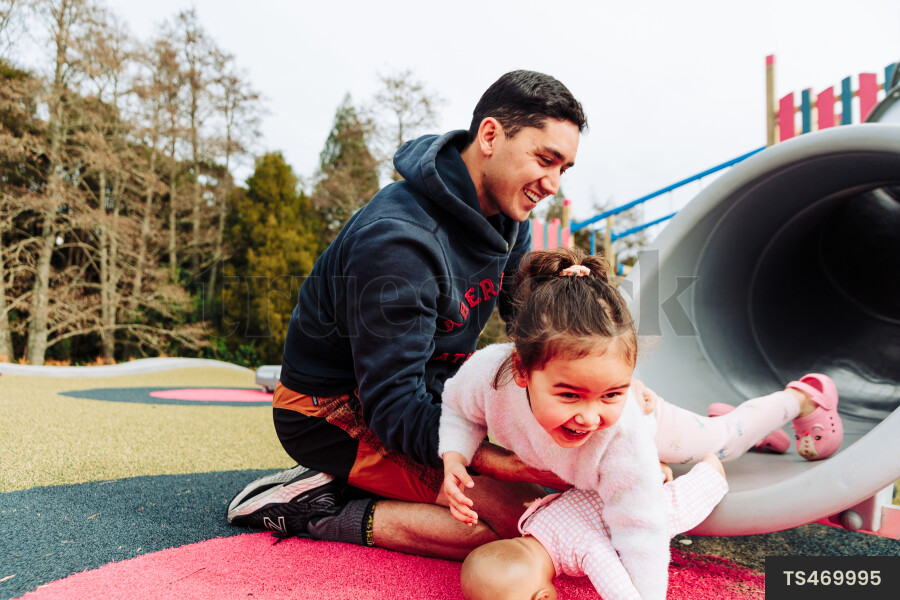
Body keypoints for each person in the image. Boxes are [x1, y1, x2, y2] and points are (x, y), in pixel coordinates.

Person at [225, 70, 589, 559]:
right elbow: (393, 404)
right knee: (527, 526)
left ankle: (379, 483)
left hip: (426, 395)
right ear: (490, 136)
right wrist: (507, 462)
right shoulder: (398, 241)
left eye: (564, 168)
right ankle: (315, 505)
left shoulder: (509, 216)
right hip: (332, 411)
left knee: (556, 502)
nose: (552, 184)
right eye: (545, 160)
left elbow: (535, 331)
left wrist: (612, 406)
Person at [439, 247, 844, 599]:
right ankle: (753, 432)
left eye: (611, 392)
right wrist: (455, 455)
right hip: (613, 421)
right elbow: (458, 407)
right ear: (521, 370)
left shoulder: (620, 434)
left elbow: (640, 528)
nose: (589, 417)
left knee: (723, 442)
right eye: (569, 395)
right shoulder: (488, 375)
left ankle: (802, 398)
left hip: (652, 426)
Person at [459, 455, 729, 600]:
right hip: (620, 470)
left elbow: (615, 584)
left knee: (667, 515)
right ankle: (656, 462)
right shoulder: (531, 524)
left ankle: (712, 469)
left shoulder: (582, 547)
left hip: (633, 495)